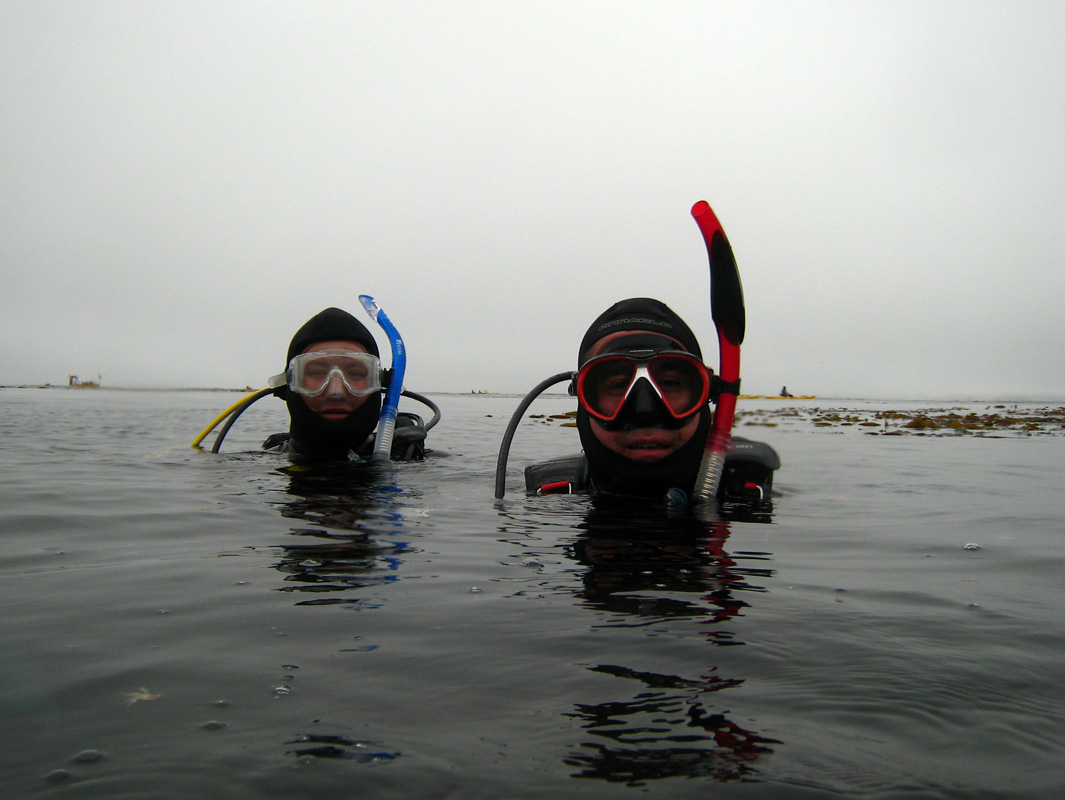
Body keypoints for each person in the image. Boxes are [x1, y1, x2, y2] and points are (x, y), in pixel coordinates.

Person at [512, 297, 779, 503]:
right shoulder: (549, 495)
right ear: (584, 399)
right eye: (617, 385)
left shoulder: (751, 490)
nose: (644, 410)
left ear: (706, 392)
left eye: (671, 383)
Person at [264, 307, 436, 462]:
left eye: (355, 373)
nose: (336, 391)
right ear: (288, 384)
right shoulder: (263, 459)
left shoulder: (416, 463)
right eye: (317, 373)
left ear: (379, 383)